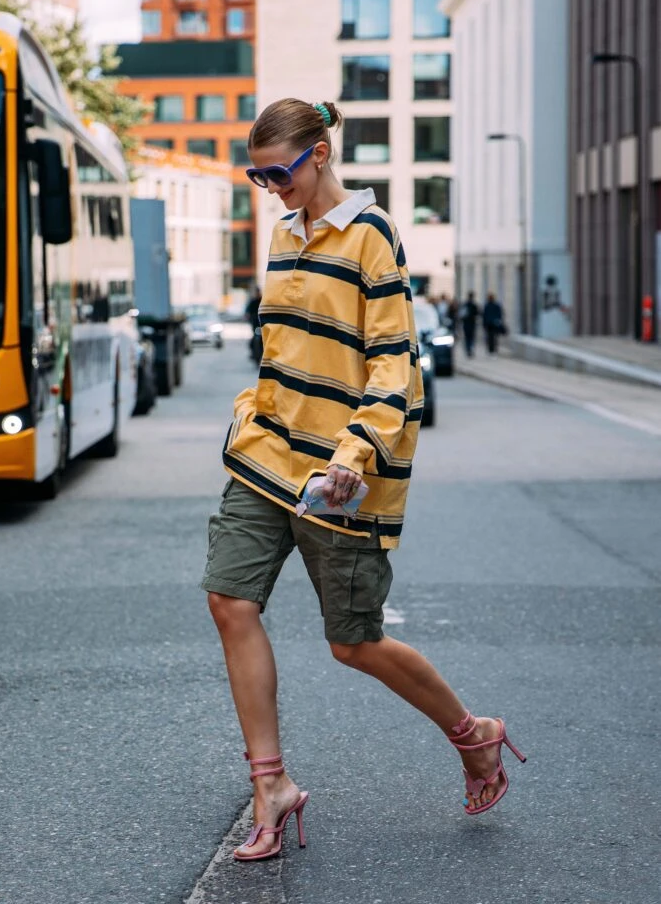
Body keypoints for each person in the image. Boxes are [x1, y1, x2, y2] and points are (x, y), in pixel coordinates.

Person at [201, 99, 526, 862]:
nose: (271, 187)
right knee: (228, 601)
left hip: (339, 473)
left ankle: (473, 734)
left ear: (318, 154)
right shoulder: (283, 234)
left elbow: (393, 365)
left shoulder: (371, 234)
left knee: (353, 643)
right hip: (265, 455)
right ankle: (271, 785)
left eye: (279, 172)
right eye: (257, 176)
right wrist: (251, 414)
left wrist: (351, 456)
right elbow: (281, 347)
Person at [461, 291, 479, 357]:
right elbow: (477, 313)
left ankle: (468, 349)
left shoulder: (465, 305)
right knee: (471, 338)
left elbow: (461, 315)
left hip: (467, 324)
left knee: (467, 338)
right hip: (471, 324)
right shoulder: (473, 305)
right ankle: (470, 349)